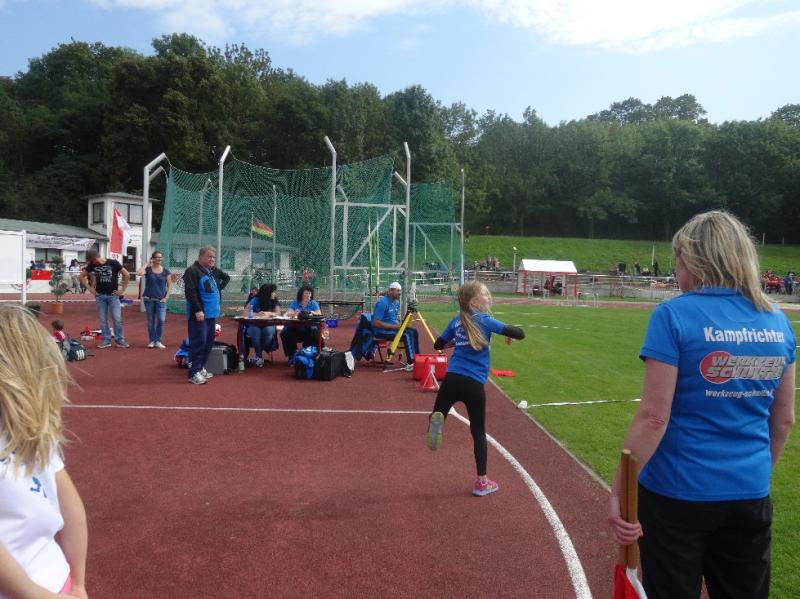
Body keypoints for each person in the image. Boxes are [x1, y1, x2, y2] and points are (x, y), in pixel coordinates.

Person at [608, 211, 796, 599]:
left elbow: (654, 417)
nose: (677, 271)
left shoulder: (673, 315)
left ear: (694, 260)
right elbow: (784, 420)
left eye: (678, 260)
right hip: (749, 492)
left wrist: (619, 493)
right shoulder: (777, 322)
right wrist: (755, 473)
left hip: (677, 493)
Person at [0, 304, 89, 598]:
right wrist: (77, 582)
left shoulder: (31, 433)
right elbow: (72, 507)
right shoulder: (32, 432)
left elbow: (71, 507)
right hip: (54, 579)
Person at [425, 281, 525, 496]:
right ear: (474, 303)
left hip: (452, 379)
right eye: (485, 295)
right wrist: (508, 332)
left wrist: (457, 342)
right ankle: (482, 482)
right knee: (478, 431)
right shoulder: (485, 320)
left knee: (439, 411)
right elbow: (520, 333)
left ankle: (435, 420)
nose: (489, 298)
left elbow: (438, 345)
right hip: (474, 384)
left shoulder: (456, 321)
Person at [183, 246, 230, 385]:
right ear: (201, 257)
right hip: (199, 315)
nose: (212, 259)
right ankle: (193, 373)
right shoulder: (192, 271)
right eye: (209, 256)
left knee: (208, 342)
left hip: (210, 315)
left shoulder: (209, 271)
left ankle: (200, 367)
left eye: (213, 257)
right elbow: (190, 292)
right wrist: (198, 310)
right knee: (199, 342)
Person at [79, 248, 130, 349]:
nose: (91, 264)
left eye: (91, 261)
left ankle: (120, 340)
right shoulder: (92, 265)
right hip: (100, 296)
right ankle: (106, 340)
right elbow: (81, 276)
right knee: (103, 320)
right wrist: (90, 289)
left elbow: (127, 274)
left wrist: (122, 290)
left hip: (113, 296)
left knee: (117, 318)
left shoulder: (113, 263)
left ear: (94, 259)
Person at [372, 282, 420, 362]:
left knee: (414, 331)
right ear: (391, 291)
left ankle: (418, 358)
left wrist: (402, 325)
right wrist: (396, 326)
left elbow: (392, 319)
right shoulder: (382, 303)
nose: (400, 293)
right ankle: (411, 362)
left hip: (392, 329)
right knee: (407, 334)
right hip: (381, 331)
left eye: (400, 291)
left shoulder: (396, 303)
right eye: (397, 291)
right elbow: (376, 323)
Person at [136, 251, 173, 349]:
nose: (159, 259)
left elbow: (170, 286)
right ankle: (152, 341)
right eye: (157, 257)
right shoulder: (148, 270)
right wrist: (147, 263)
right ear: (153, 258)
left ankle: (158, 340)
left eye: (160, 257)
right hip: (149, 300)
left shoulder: (166, 271)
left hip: (161, 300)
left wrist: (166, 298)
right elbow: (139, 273)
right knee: (150, 321)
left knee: (161, 320)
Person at [243, 283, 281, 367]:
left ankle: (257, 355)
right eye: (273, 292)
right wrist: (257, 314)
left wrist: (268, 313)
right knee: (255, 331)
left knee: (268, 331)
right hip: (254, 324)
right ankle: (259, 356)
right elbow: (245, 312)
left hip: (269, 325)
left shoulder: (274, 300)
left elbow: (278, 313)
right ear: (267, 292)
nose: (274, 294)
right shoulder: (256, 299)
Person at [281, 285, 321, 361]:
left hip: (309, 328)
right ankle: (292, 355)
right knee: (286, 333)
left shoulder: (313, 303)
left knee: (315, 332)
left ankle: (310, 353)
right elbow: (289, 313)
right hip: (295, 328)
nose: (308, 295)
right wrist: (295, 313)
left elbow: (319, 313)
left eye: (309, 293)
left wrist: (311, 312)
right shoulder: (295, 302)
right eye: (306, 293)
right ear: (301, 294)